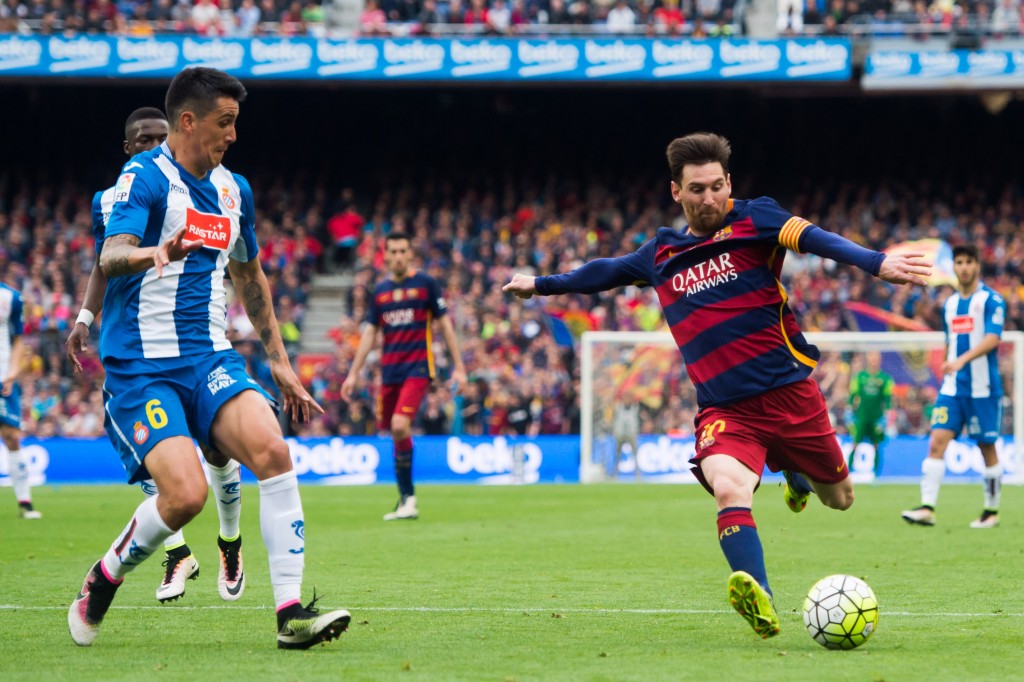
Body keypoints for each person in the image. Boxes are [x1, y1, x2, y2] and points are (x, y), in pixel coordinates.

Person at [503, 132, 930, 639]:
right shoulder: (660, 253)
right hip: (727, 411)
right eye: (697, 189)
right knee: (729, 488)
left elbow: (816, 237)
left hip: (791, 395)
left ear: (729, 183)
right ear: (675, 192)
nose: (709, 199)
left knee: (840, 499)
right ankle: (761, 596)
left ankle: (791, 466)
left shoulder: (757, 218)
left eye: (716, 186)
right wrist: (541, 284)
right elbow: (606, 271)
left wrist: (876, 262)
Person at [67, 67, 350, 650]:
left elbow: (249, 273)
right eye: (225, 123)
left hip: (208, 355)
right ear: (188, 122)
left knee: (272, 449)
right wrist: (155, 252)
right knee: (185, 496)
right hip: (141, 364)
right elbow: (112, 255)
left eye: (236, 122)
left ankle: (290, 613)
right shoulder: (141, 177)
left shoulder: (233, 190)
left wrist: (279, 361)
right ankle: (106, 575)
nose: (233, 135)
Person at [65, 106, 246, 605]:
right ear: (128, 147)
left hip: (194, 346)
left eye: (159, 138)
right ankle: (177, 554)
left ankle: (229, 542)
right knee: (160, 467)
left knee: (217, 451)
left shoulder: (199, 189)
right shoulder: (113, 199)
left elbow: (230, 261)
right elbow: (105, 263)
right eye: (143, 140)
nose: (152, 146)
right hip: (136, 350)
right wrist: (84, 318)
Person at [341, 232, 467, 521]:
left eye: (403, 251)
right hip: (390, 372)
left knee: (399, 424)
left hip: (418, 368)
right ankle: (405, 499)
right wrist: (353, 373)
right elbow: (370, 332)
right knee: (395, 431)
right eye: (393, 251)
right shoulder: (381, 292)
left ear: (410, 254)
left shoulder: (425, 285)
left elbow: (445, 325)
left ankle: (409, 499)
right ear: (385, 255)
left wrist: (459, 366)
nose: (398, 256)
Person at [902, 244, 1006, 529]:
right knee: (936, 441)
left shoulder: (991, 300)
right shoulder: (948, 305)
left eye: (968, 262)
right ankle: (927, 508)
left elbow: (993, 339)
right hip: (952, 388)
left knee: (987, 446)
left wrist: (960, 360)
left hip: (983, 388)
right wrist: (949, 366)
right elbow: (949, 343)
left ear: (977, 266)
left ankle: (991, 511)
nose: (963, 267)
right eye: (959, 262)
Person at [1, 275, 41, 519]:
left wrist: (12, 374)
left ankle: (24, 501)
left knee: (11, 436)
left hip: (3, 376)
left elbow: (18, 340)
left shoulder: (11, 298)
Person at [846, 351, 893, 477]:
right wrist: (849, 412)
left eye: (876, 358)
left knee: (876, 445)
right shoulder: (860, 377)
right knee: (855, 444)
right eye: (871, 358)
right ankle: (847, 474)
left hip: (876, 417)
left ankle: (876, 476)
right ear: (868, 360)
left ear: (879, 360)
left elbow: (888, 400)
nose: (873, 361)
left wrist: (886, 417)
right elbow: (852, 396)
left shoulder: (885, 378)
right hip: (861, 416)